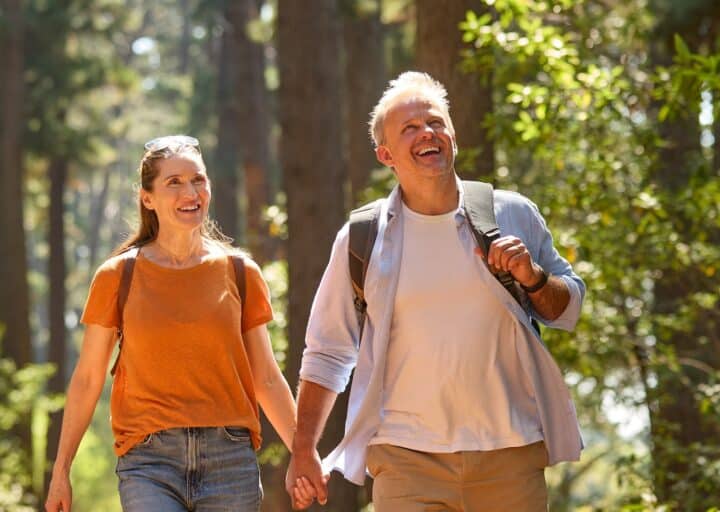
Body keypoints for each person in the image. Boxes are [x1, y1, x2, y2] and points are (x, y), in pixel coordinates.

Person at [285, 72, 586, 511]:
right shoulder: (364, 237)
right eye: (410, 128)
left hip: (510, 454)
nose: (427, 133)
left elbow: (568, 309)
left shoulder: (512, 214)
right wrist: (303, 448)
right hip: (407, 459)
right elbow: (328, 351)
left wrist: (533, 277)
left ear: (453, 137)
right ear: (386, 154)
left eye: (436, 123)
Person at [45, 135, 315, 511]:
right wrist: (61, 471)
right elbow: (89, 378)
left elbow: (266, 378)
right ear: (147, 198)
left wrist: (302, 453)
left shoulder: (240, 273)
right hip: (149, 462)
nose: (191, 192)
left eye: (198, 180)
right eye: (174, 182)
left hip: (230, 461)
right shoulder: (117, 277)